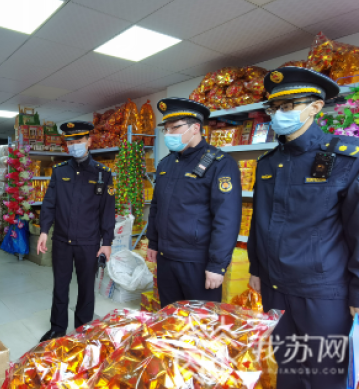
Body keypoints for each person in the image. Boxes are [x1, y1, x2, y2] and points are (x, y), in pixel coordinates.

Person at [248, 67, 359, 388]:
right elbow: (260, 221)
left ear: (315, 107)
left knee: (324, 375)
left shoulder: (346, 158)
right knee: (287, 370)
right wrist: (256, 267)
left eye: (287, 106)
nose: (278, 115)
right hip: (275, 289)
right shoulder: (268, 163)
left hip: (323, 292)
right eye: (274, 108)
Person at [146, 98, 242, 306]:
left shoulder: (220, 163)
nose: (169, 134)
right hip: (166, 257)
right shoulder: (165, 164)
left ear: (196, 127)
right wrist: (153, 242)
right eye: (166, 129)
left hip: (197, 261)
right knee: (170, 316)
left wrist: (217, 265)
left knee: (200, 321)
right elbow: (156, 207)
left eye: (175, 128)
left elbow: (227, 218)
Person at [37, 121, 115, 342]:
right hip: (62, 240)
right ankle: (57, 327)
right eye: (70, 142)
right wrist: (44, 231)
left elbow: (107, 211)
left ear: (89, 141)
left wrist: (106, 242)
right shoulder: (60, 171)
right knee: (60, 286)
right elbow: (49, 203)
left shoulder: (102, 173)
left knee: (86, 288)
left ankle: (83, 330)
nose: (74, 145)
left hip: (88, 242)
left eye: (78, 140)